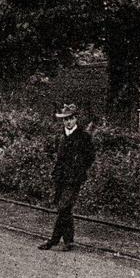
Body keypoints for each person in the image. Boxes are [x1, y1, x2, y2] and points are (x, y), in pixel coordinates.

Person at [38, 104, 95, 251]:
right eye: (65, 120)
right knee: (65, 209)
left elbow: (90, 157)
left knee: (64, 206)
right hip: (60, 177)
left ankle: (53, 240)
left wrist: (80, 169)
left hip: (74, 178)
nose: (68, 122)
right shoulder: (61, 136)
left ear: (76, 119)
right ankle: (68, 241)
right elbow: (55, 155)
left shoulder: (83, 137)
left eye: (70, 119)